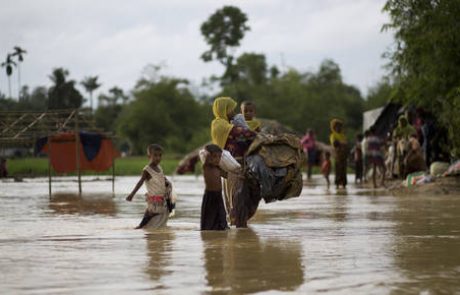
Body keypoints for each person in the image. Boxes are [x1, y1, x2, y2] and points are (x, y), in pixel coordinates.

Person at [126, 144, 172, 229]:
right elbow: (140, 182)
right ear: (149, 156)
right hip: (154, 199)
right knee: (151, 213)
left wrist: (167, 183)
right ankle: (140, 227)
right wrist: (132, 194)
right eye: (155, 155)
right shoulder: (147, 170)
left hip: (161, 198)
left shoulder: (159, 168)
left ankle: (144, 228)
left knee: (159, 217)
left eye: (160, 155)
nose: (158, 158)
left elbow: (162, 179)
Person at [201, 144, 229, 231]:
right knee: (208, 222)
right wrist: (207, 153)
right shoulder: (207, 166)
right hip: (210, 196)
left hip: (218, 195)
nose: (217, 159)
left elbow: (228, 175)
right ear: (208, 157)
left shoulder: (218, 169)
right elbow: (202, 154)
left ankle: (223, 229)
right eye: (214, 157)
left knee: (222, 216)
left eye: (219, 157)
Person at [329, 119, 348, 189]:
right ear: (334, 127)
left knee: (344, 169)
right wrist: (342, 143)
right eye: (338, 126)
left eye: (340, 126)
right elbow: (335, 144)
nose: (339, 128)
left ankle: (344, 184)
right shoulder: (333, 135)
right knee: (338, 169)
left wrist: (341, 143)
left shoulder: (342, 135)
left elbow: (345, 143)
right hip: (337, 154)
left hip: (344, 154)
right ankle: (337, 183)